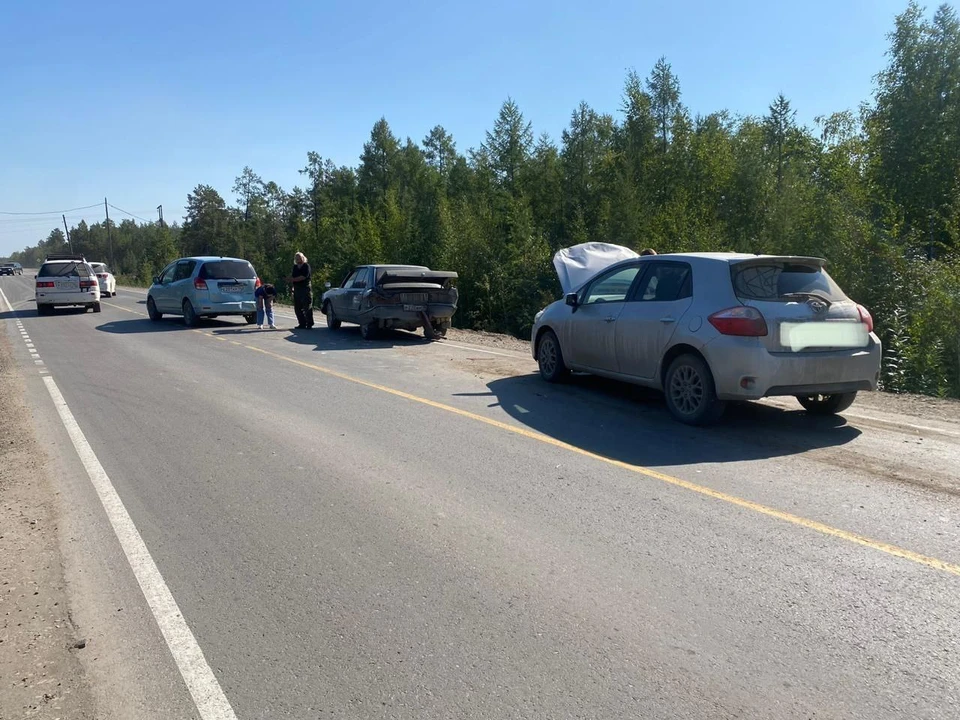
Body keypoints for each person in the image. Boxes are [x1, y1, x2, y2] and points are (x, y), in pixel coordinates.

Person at [286, 252, 314, 329]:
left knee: (307, 306)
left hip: (305, 288)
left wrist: (292, 279)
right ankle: (302, 323)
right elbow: (293, 277)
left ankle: (309, 323)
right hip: (297, 289)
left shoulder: (306, 266)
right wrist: (292, 286)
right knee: (297, 308)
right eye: (297, 258)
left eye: (300, 257)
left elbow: (303, 277)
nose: (298, 259)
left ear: (303, 258)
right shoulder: (295, 267)